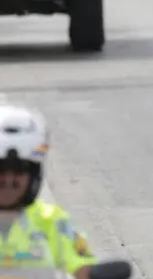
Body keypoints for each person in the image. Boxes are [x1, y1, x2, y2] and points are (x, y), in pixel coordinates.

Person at [0, 104, 100, 278]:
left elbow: (83, 267)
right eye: (0, 169)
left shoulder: (53, 221)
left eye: (19, 169)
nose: (9, 180)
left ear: (34, 174)